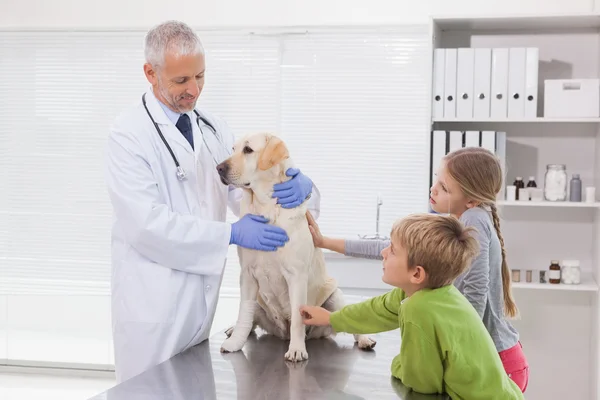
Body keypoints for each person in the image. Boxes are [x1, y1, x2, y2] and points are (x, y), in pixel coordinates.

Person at [104, 20, 320, 383]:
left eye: (200, 77)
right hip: (152, 304)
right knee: (149, 390)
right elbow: (146, 225)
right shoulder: (128, 135)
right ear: (150, 72)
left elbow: (243, 188)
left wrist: (299, 185)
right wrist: (230, 234)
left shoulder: (212, 127)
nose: (193, 90)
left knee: (196, 385)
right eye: (181, 81)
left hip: (201, 306)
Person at [306, 147, 529, 393]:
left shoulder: (473, 219)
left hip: (494, 361)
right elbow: (389, 258)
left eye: (444, 188)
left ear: (471, 199)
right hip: (492, 362)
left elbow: (476, 291)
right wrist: (326, 243)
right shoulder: (455, 225)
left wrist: (461, 344)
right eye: (436, 179)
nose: (433, 189)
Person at [300, 213, 524, 399]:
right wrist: (330, 319)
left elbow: (423, 383)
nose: (383, 253)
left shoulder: (419, 308)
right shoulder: (432, 292)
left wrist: (399, 365)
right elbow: (377, 310)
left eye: (393, 250)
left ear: (417, 273)